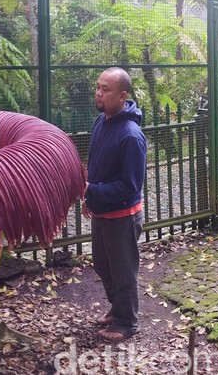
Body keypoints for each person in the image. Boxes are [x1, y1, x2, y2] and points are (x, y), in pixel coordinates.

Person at [82, 67, 147, 342]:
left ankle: (127, 322)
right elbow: (97, 165)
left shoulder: (131, 136)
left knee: (123, 271)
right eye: (98, 87)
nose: (99, 92)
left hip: (122, 216)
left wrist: (92, 191)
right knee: (102, 264)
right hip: (102, 210)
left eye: (105, 89)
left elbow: (130, 186)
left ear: (122, 96)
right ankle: (117, 309)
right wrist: (90, 197)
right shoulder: (101, 121)